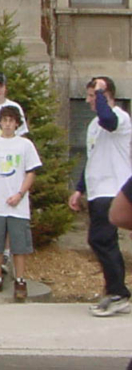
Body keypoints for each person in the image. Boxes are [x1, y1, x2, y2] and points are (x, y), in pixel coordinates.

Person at [69, 77, 132, 316]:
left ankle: (118, 293)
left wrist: (101, 91)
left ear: (105, 95)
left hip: (113, 189)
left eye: (92, 96)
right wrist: (79, 189)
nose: (88, 101)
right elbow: (92, 158)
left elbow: (109, 120)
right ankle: (114, 290)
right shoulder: (93, 125)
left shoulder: (120, 118)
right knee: (100, 240)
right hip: (97, 190)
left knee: (102, 239)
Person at [0, 106, 41, 302]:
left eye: (11, 121)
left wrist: (20, 194)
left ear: (17, 124)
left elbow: (31, 172)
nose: (7, 124)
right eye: (4, 120)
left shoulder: (25, 145)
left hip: (17, 206)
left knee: (19, 245)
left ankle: (20, 280)